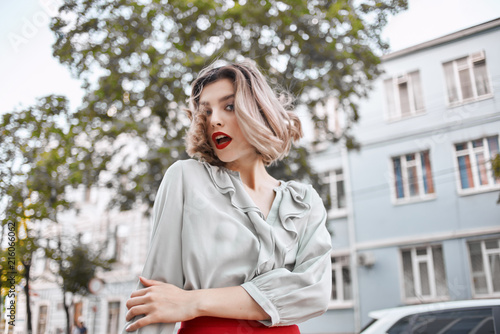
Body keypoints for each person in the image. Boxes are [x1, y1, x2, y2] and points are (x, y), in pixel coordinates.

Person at [122, 60, 332, 334]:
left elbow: (314, 293)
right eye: (206, 112)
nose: (214, 120)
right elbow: (155, 302)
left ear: (259, 112)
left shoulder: (305, 201)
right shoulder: (186, 178)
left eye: (229, 106)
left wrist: (193, 302)